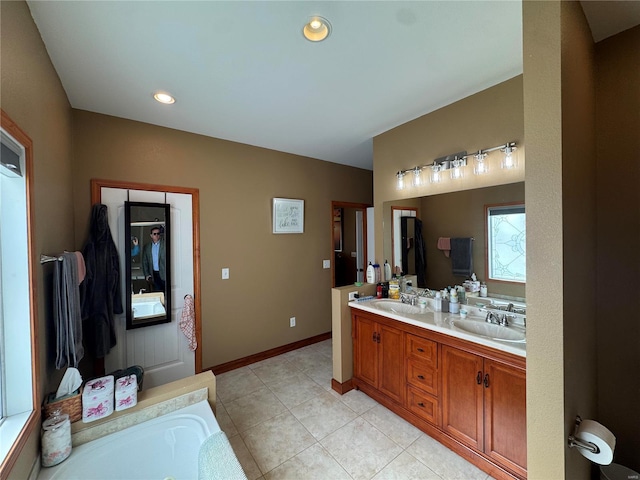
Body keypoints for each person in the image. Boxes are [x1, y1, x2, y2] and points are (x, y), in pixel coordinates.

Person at [142, 226, 166, 292]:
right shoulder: (147, 247)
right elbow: (145, 262)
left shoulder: (165, 244)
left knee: (167, 293)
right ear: (151, 235)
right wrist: (147, 274)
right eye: (154, 234)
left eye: (158, 233)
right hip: (154, 274)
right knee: (157, 292)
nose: (157, 235)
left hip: (164, 273)